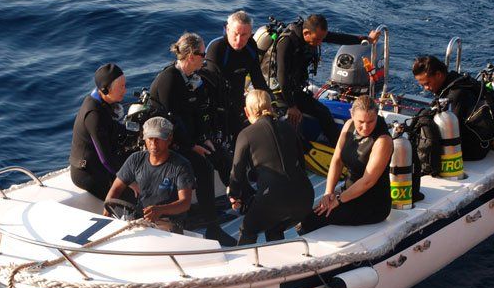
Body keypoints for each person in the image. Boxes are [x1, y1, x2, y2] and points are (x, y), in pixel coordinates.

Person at [149, 32, 234, 244]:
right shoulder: (170, 79)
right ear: (190, 56)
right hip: (169, 143)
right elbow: (171, 122)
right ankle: (213, 228)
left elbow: (197, 113)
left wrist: (204, 138)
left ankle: (240, 198)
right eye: (202, 54)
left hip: (189, 138)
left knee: (222, 154)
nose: (205, 58)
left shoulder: (193, 78)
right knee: (204, 168)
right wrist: (192, 146)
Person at [272, 14, 380, 145]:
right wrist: (291, 106)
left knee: (323, 112)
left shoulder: (315, 34)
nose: (319, 43)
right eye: (317, 40)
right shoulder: (286, 43)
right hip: (279, 91)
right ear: (306, 33)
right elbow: (282, 76)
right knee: (319, 114)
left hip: (295, 88)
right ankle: (335, 147)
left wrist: (366, 39)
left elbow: (338, 38)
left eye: (322, 39)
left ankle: (340, 147)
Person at [228, 90, 314, 245]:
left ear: (247, 111)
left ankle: (244, 258)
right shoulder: (288, 127)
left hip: (273, 201)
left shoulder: (245, 135)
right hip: (305, 198)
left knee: (248, 229)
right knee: (274, 226)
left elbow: (236, 173)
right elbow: (302, 164)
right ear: (271, 107)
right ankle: (278, 254)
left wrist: (234, 195)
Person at [298, 96, 393, 234]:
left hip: (372, 203)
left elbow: (368, 181)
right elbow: (337, 160)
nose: (365, 127)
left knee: (312, 220)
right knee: (308, 217)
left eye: (371, 121)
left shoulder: (383, 141)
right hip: (348, 193)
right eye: (361, 122)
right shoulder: (349, 125)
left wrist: (339, 200)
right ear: (352, 115)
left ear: (377, 117)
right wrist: (328, 192)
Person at [105, 117, 194, 233]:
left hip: (169, 222)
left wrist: (160, 210)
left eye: (158, 139)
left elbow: (185, 203)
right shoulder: (135, 159)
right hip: (139, 218)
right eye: (150, 139)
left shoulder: (181, 166)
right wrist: (106, 217)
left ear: (169, 138)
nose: (153, 144)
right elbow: (115, 190)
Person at [68, 63, 130, 200]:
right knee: (132, 196)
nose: (125, 90)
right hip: (88, 172)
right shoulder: (94, 115)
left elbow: (113, 127)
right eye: (121, 87)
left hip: (100, 164)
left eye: (124, 85)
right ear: (106, 90)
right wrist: (128, 181)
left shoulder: (103, 103)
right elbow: (105, 159)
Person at [411, 55, 491, 161]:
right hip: (482, 143)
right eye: (422, 85)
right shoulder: (458, 80)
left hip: (473, 150)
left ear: (438, 75)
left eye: (427, 83)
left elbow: (447, 131)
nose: (426, 88)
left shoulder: (455, 96)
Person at [205, 10, 270, 139]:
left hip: (238, 101)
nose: (239, 40)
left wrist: (269, 102)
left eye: (244, 35)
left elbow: (257, 78)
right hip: (217, 104)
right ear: (227, 29)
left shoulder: (251, 46)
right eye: (235, 34)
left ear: (250, 33)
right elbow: (210, 85)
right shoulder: (217, 48)